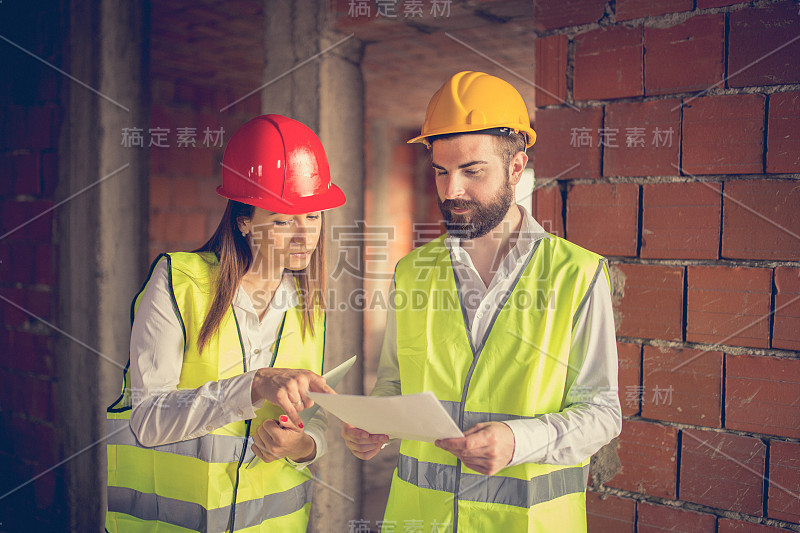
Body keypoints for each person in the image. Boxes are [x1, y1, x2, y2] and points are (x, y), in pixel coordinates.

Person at [342, 71, 622, 531]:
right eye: (441, 172)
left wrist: (517, 439)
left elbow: (602, 412)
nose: (452, 191)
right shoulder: (412, 273)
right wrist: (376, 425)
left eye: (472, 172)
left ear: (516, 169)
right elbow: (394, 383)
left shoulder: (577, 274)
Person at [105, 114, 346, 532]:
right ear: (245, 223)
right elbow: (146, 419)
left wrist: (304, 445)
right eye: (284, 220)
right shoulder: (177, 282)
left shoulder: (311, 306)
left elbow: (317, 417)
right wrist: (254, 386)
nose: (304, 236)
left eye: (312, 216)